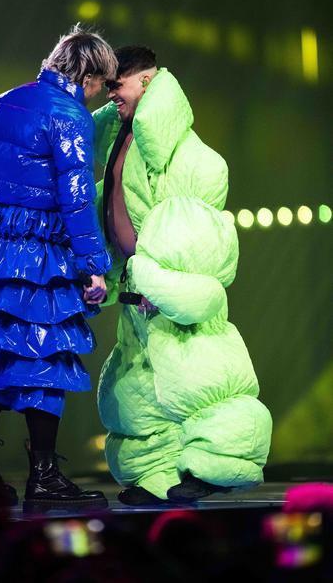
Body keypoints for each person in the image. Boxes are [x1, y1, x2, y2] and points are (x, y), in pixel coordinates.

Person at [0, 24, 117, 510]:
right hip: (40, 252)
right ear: (87, 75)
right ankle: (43, 477)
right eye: (101, 82)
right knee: (49, 357)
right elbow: (76, 198)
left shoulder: (2, 103)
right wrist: (93, 266)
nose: (100, 92)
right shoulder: (69, 115)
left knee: (0, 354)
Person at [93, 46, 272, 505]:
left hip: (167, 286)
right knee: (141, 386)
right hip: (137, 287)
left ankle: (221, 463)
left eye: (117, 84)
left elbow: (196, 223)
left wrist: (168, 279)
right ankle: (157, 476)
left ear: (146, 81)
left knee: (201, 375)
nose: (111, 94)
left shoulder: (185, 152)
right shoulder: (125, 137)